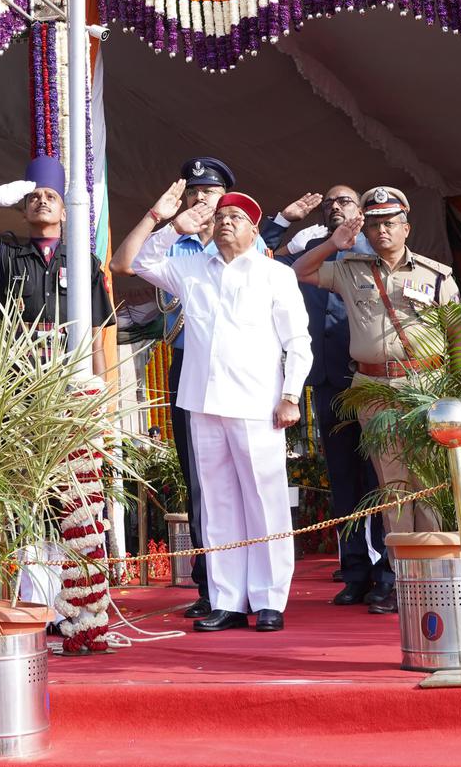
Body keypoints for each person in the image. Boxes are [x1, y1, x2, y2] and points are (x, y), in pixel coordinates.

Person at [131, 191, 311, 633]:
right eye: (221, 216)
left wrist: (290, 396)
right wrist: (174, 225)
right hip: (203, 402)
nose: (226, 222)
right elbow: (138, 261)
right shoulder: (192, 268)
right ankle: (228, 599)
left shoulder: (274, 274)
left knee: (265, 501)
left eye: (237, 217)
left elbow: (298, 343)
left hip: (257, 403)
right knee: (216, 504)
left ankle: (269, 599)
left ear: (254, 229)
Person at [293, 186, 459, 603]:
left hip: (425, 385)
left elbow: (459, 338)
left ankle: (435, 574)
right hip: (372, 387)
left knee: (430, 482)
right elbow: (299, 271)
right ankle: (403, 581)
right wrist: (334, 243)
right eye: (374, 224)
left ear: (406, 226)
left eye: (390, 223)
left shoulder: (435, 275)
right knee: (393, 485)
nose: (382, 230)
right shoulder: (350, 268)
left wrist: (458, 395)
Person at [112, 155, 237, 618]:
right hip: (186, 362)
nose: (201, 199)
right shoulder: (174, 246)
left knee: (243, 476)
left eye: (210, 191)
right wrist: (164, 221)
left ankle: (251, 586)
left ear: (227, 199)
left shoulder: (241, 241)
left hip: (235, 367)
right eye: (193, 193)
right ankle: (211, 588)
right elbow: (124, 262)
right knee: (199, 480)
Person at [267, 185, 392, 612]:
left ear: (360, 210)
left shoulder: (377, 248)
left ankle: (388, 573)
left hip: (372, 380)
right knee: (344, 480)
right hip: (328, 382)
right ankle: (355, 571)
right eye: (328, 204)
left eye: (343, 201)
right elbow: (263, 262)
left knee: (383, 477)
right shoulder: (313, 252)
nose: (334, 207)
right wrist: (287, 222)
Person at [0, 155, 112, 377]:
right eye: (34, 197)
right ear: (24, 213)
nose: (42, 200)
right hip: (16, 383)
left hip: (69, 379)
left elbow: (96, 339)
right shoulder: (4, 256)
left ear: (64, 213)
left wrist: (100, 393)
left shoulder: (83, 263)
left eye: (51, 197)